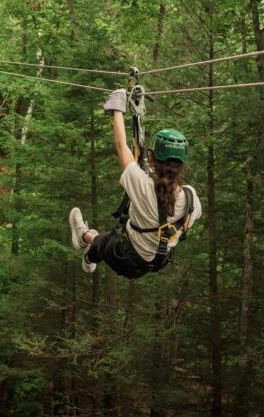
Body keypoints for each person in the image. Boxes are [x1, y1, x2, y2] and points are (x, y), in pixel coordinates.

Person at [68, 88, 202, 278]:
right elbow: (189, 219)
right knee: (110, 239)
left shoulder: (143, 186)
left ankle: (85, 244)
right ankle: (86, 242)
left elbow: (121, 145)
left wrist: (117, 107)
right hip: (159, 261)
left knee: (103, 242)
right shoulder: (190, 196)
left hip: (126, 259)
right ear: (182, 165)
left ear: (152, 159)